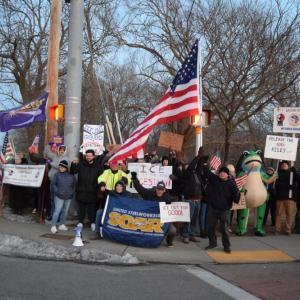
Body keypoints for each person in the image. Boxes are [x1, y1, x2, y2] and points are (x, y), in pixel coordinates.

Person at [131, 171, 176, 247]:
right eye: (158, 189)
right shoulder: (149, 194)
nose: (159, 191)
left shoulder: (168, 198)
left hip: (161, 220)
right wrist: (134, 178)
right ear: (156, 189)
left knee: (173, 230)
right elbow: (140, 188)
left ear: (164, 190)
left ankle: (169, 242)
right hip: (148, 219)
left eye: (161, 189)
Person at [204, 166, 240, 253]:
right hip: (213, 208)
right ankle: (213, 243)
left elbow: (236, 199)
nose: (222, 174)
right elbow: (207, 172)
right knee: (210, 227)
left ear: (227, 174)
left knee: (224, 229)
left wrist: (239, 194)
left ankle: (226, 246)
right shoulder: (215, 179)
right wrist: (204, 163)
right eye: (220, 172)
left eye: (224, 172)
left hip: (225, 210)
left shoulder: (231, 184)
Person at [70, 149, 106, 231]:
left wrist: (102, 185)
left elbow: (102, 178)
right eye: (87, 155)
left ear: (93, 156)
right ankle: (80, 222)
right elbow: (73, 172)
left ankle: (93, 223)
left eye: (90, 155)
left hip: (93, 191)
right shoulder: (81, 164)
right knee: (81, 208)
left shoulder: (98, 166)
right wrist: (73, 164)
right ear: (85, 156)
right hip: (81, 190)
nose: (88, 157)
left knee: (92, 209)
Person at [176, 147, 206, 244]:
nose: (187, 166)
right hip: (190, 200)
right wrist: (198, 156)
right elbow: (192, 166)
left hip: (198, 199)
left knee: (194, 219)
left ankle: (192, 234)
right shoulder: (186, 174)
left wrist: (201, 158)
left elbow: (199, 167)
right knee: (188, 218)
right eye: (186, 165)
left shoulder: (196, 173)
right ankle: (186, 235)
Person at [44, 144, 70, 219]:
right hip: (52, 181)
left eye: (63, 150)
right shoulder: (55, 156)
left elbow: (59, 166)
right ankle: (53, 216)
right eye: (60, 149)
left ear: (65, 151)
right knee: (52, 199)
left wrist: (50, 162)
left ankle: (57, 217)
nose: (61, 151)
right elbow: (48, 153)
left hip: (59, 182)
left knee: (57, 201)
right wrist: (49, 145)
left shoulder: (66, 159)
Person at [50, 160, 75, 234]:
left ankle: (62, 224)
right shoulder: (56, 175)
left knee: (65, 211)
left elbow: (73, 185)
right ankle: (53, 226)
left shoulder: (71, 176)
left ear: (66, 168)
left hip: (68, 196)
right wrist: (57, 191)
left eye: (62, 167)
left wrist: (71, 193)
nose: (60, 168)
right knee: (57, 211)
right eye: (60, 167)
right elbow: (53, 185)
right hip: (59, 196)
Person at [275, 161, 296, 235]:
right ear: (280, 166)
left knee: (289, 214)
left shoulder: (292, 174)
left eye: (286, 164)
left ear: (288, 166)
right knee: (278, 214)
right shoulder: (277, 174)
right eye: (283, 164)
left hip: (289, 198)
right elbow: (277, 185)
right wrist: (287, 186)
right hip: (280, 198)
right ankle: (277, 230)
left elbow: (295, 184)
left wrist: (294, 171)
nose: (284, 165)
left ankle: (288, 230)